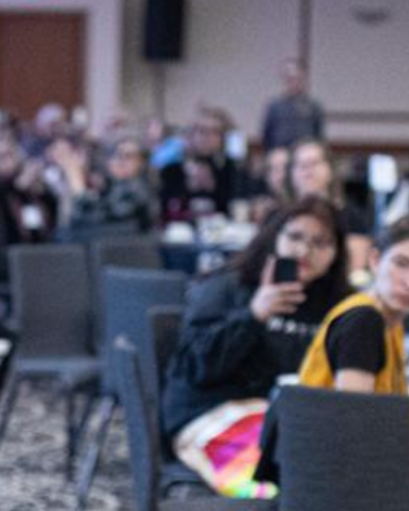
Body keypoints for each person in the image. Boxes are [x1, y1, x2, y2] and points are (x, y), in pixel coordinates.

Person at [162, 197, 351, 498]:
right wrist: (253, 315)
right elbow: (197, 368)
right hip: (212, 411)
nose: (304, 251)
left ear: (336, 254)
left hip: (291, 422)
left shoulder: (339, 304)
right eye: (295, 237)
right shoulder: (229, 285)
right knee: (289, 482)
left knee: (347, 474)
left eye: (320, 243)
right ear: (274, 236)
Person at [299, 215, 409, 395]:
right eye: (401, 264)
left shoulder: (392, 321)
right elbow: (354, 418)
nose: (408, 282)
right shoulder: (363, 321)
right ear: (375, 260)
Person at [286, 138, 372, 279]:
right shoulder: (279, 216)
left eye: (314, 163)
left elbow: (356, 268)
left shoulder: (351, 216)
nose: (307, 171)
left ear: (330, 170)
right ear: (291, 174)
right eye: (300, 165)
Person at [160, 105, 244, 223]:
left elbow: (234, 208)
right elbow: (165, 211)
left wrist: (213, 184)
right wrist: (187, 184)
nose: (208, 137)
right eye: (202, 131)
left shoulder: (230, 169)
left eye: (215, 132)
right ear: (190, 135)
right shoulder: (172, 169)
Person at [261, 57, 325, 151]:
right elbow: (266, 135)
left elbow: (318, 135)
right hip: (280, 155)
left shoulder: (314, 106)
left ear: (303, 79)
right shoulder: (274, 106)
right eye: (289, 78)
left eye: (297, 78)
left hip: (305, 155)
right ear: (284, 79)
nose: (293, 82)